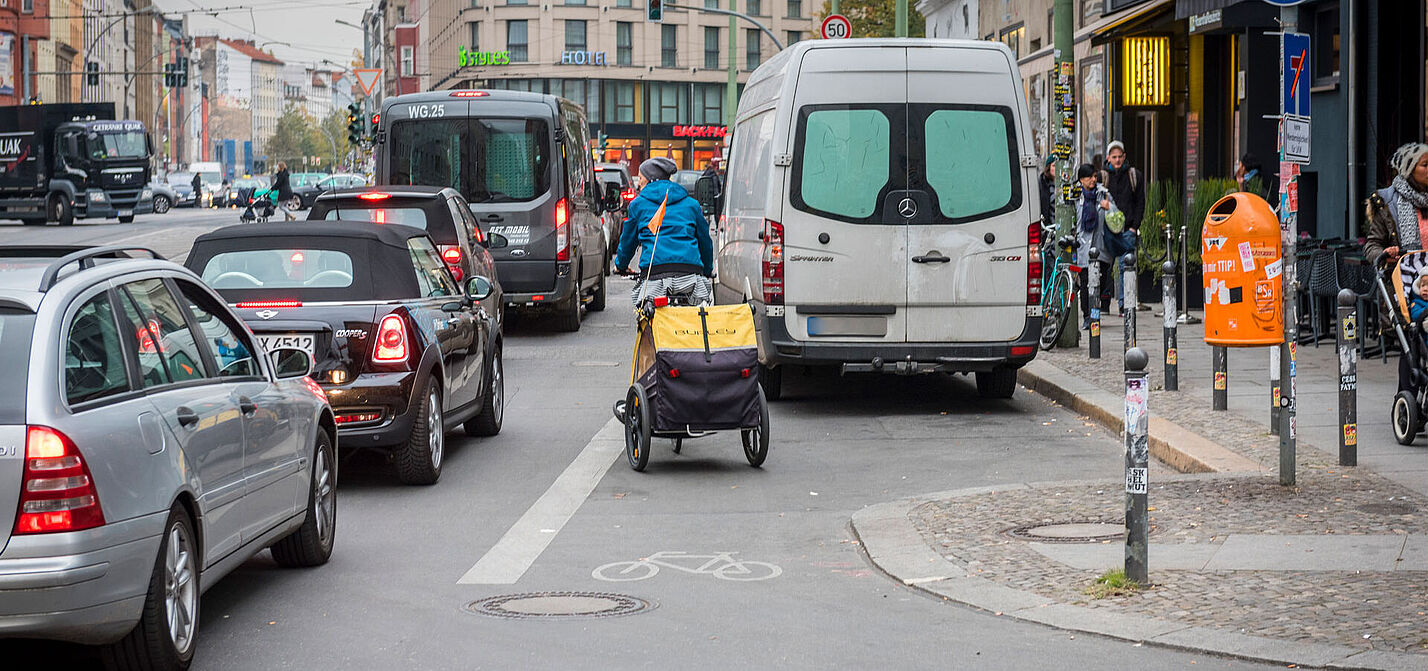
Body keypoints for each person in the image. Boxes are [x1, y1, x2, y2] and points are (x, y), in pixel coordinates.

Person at [1365, 143, 1428, 393]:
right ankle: (1408, 401)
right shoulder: (1388, 203)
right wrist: (1383, 254)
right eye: (1425, 165)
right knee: (1411, 341)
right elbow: (1371, 244)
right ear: (1410, 169)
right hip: (1407, 286)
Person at [615, 157, 715, 308]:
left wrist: (621, 266)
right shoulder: (692, 205)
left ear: (650, 180)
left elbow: (628, 242)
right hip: (690, 276)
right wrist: (707, 269)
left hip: (654, 274)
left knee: (647, 315)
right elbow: (705, 242)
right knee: (697, 316)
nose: (638, 183)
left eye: (640, 178)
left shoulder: (638, 205)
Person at [1100, 140, 1146, 312]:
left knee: (1125, 269)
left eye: (1120, 157)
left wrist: (1134, 226)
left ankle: (1124, 306)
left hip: (1127, 229)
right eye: (1114, 157)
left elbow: (1140, 202)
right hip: (1107, 231)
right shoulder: (1102, 177)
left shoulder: (1134, 176)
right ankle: (1104, 304)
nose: (1117, 160)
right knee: (1105, 268)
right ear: (1108, 158)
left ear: (1124, 157)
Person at [1071, 163, 1117, 329]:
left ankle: (1095, 315)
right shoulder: (1074, 195)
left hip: (1101, 246)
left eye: (1094, 176)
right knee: (1085, 283)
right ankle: (1087, 316)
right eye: (1089, 176)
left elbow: (1117, 217)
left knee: (1100, 283)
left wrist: (1109, 207)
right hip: (1083, 247)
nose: (1093, 179)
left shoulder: (1103, 194)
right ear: (1081, 179)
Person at [1038, 156, 1056, 229]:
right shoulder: (1042, 183)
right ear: (1049, 167)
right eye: (1054, 165)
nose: (1057, 168)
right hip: (1047, 226)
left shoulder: (1067, 185)